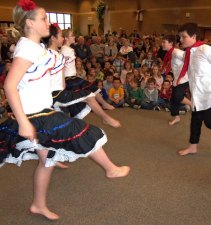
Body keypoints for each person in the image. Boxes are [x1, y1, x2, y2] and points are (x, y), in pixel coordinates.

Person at [0, 0, 130, 220]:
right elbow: (9, 85)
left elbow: (40, 79)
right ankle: (111, 169)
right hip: (34, 115)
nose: (48, 22)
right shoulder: (27, 48)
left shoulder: (36, 48)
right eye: (43, 18)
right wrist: (23, 122)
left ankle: (38, 205)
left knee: (48, 159)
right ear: (30, 23)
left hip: (41, 109)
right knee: (83, 131)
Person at [45, 24, 119, 127]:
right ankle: (104, 112)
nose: (74, 37)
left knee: (89, 93)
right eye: (71, 35)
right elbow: (61, 65)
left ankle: (104, 110)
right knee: (89, 94)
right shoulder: (64, 51)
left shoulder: (61, 51)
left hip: (68, 79)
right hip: (68, 80)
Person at [177, 23, 211, 156]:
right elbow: (191, 73)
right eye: (180, 37)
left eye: (183, 37)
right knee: (195, 120)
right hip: (198, 94)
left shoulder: (206, 50)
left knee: (209, 121)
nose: (181, 40)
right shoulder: (188, 53)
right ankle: (193, 147)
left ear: (194, 36)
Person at [161, 35, 192, 125]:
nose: (162, 44)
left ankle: (191, 104)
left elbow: (189, 59)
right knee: (173, 100)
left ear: (170, 43)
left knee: (178, 96)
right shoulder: (169, 54)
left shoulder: (177, 52)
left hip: (184, 78)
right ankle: (177, 117)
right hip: (176, 79)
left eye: (164, 42)